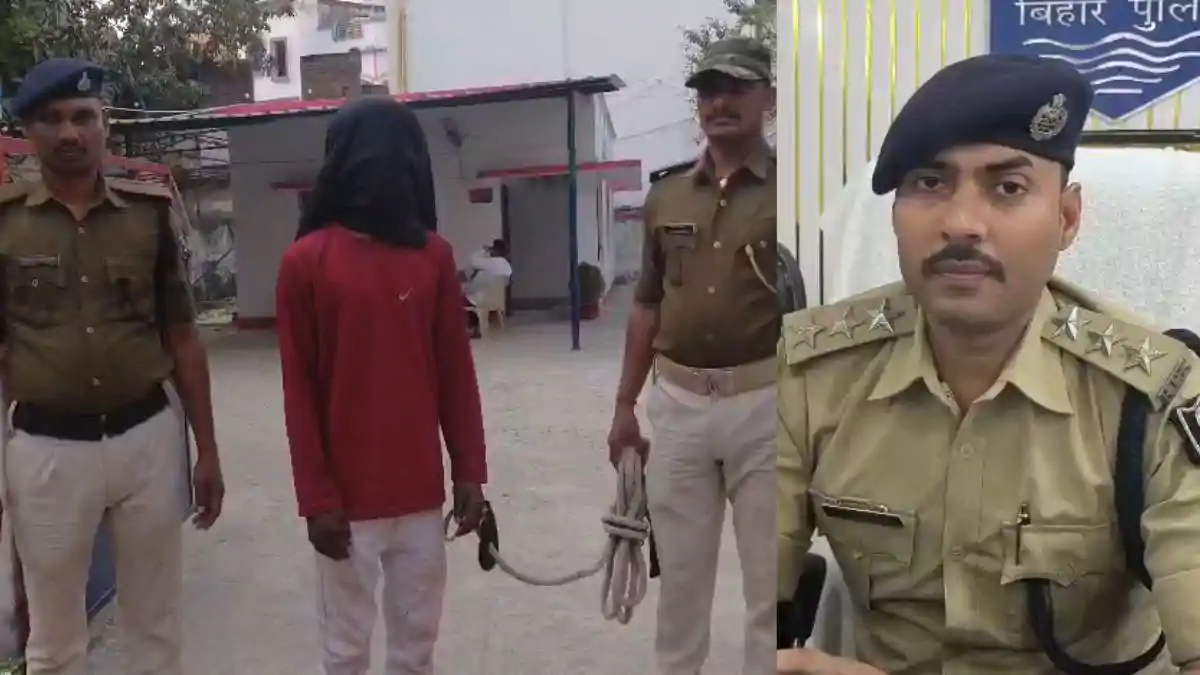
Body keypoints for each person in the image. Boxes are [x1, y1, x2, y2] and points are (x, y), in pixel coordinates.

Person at [777, 54, 1200, 674]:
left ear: (1067, 219)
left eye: (1008, 189)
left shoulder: (1157, 392)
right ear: (894, 213)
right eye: (929, 183)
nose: (960, 224)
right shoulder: (807, 375)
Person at [0, 57, 223, 675]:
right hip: (46, 449)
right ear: (29, 130)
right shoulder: (6, 224)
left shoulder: (147, 214)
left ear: (106, 125)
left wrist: (206, 450)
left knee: (156, 630)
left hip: (144, 439)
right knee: (53, 641)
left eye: (83, 117)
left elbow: (183, 337)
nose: (69, 132)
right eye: (52, 119)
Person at [275, 96, 488, 675]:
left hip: (421, 495)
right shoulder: (305, 263)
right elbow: (299, 393)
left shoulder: (433, 258)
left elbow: (455, 374)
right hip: (345, 503)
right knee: (346, 651)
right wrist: (316, 500)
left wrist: (470, 470)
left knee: (416, 648)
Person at [608, 36, 779, 675]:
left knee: (771, 583)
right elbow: (646, 305)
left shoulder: (794, 191)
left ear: (769, 98)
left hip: (766, 406)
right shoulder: (668, 196)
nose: (719, 103)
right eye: (708, 91)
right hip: (678, 405)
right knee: (680, 580)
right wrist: (624, 406)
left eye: (735, 89)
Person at [463, 238, 511, 338]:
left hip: (480, 299)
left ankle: (470, 327)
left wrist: (482, 250)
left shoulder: (491, 263)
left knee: (454, 300)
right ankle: (474, 326)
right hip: (495, 300)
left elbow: (473, 261)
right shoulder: (507, 266)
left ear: (495, 250)